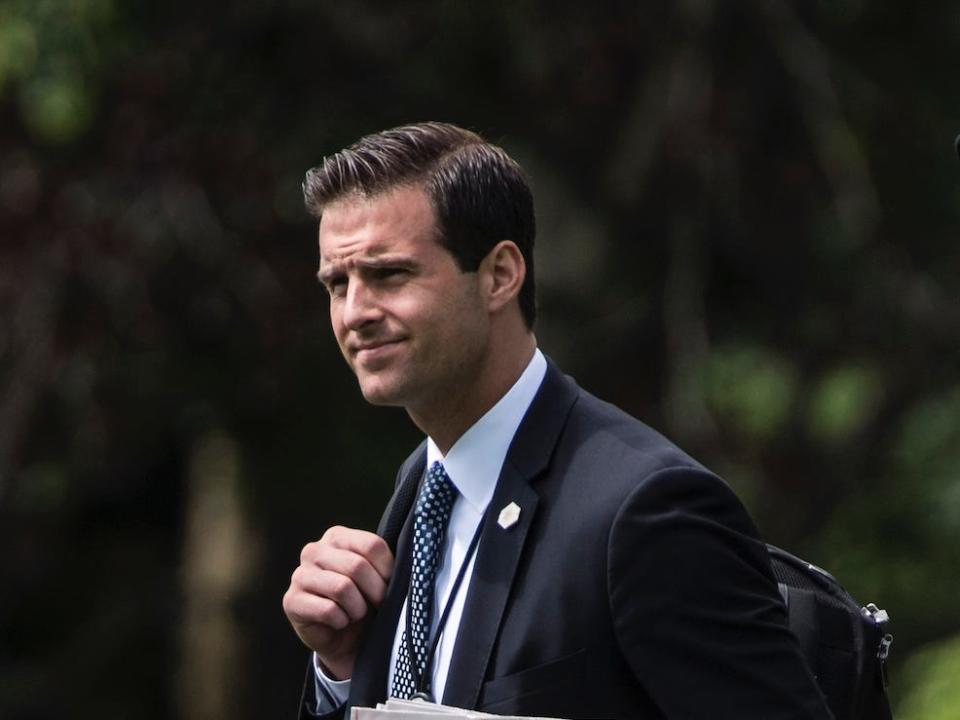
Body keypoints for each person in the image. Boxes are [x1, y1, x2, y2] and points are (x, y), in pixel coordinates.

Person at [283, 122, 833, 719]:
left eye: (389, 274)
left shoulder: (650, 509)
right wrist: (344, 668)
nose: (355, 312)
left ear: (499, 275)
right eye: (338, 284)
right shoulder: (421, 486)